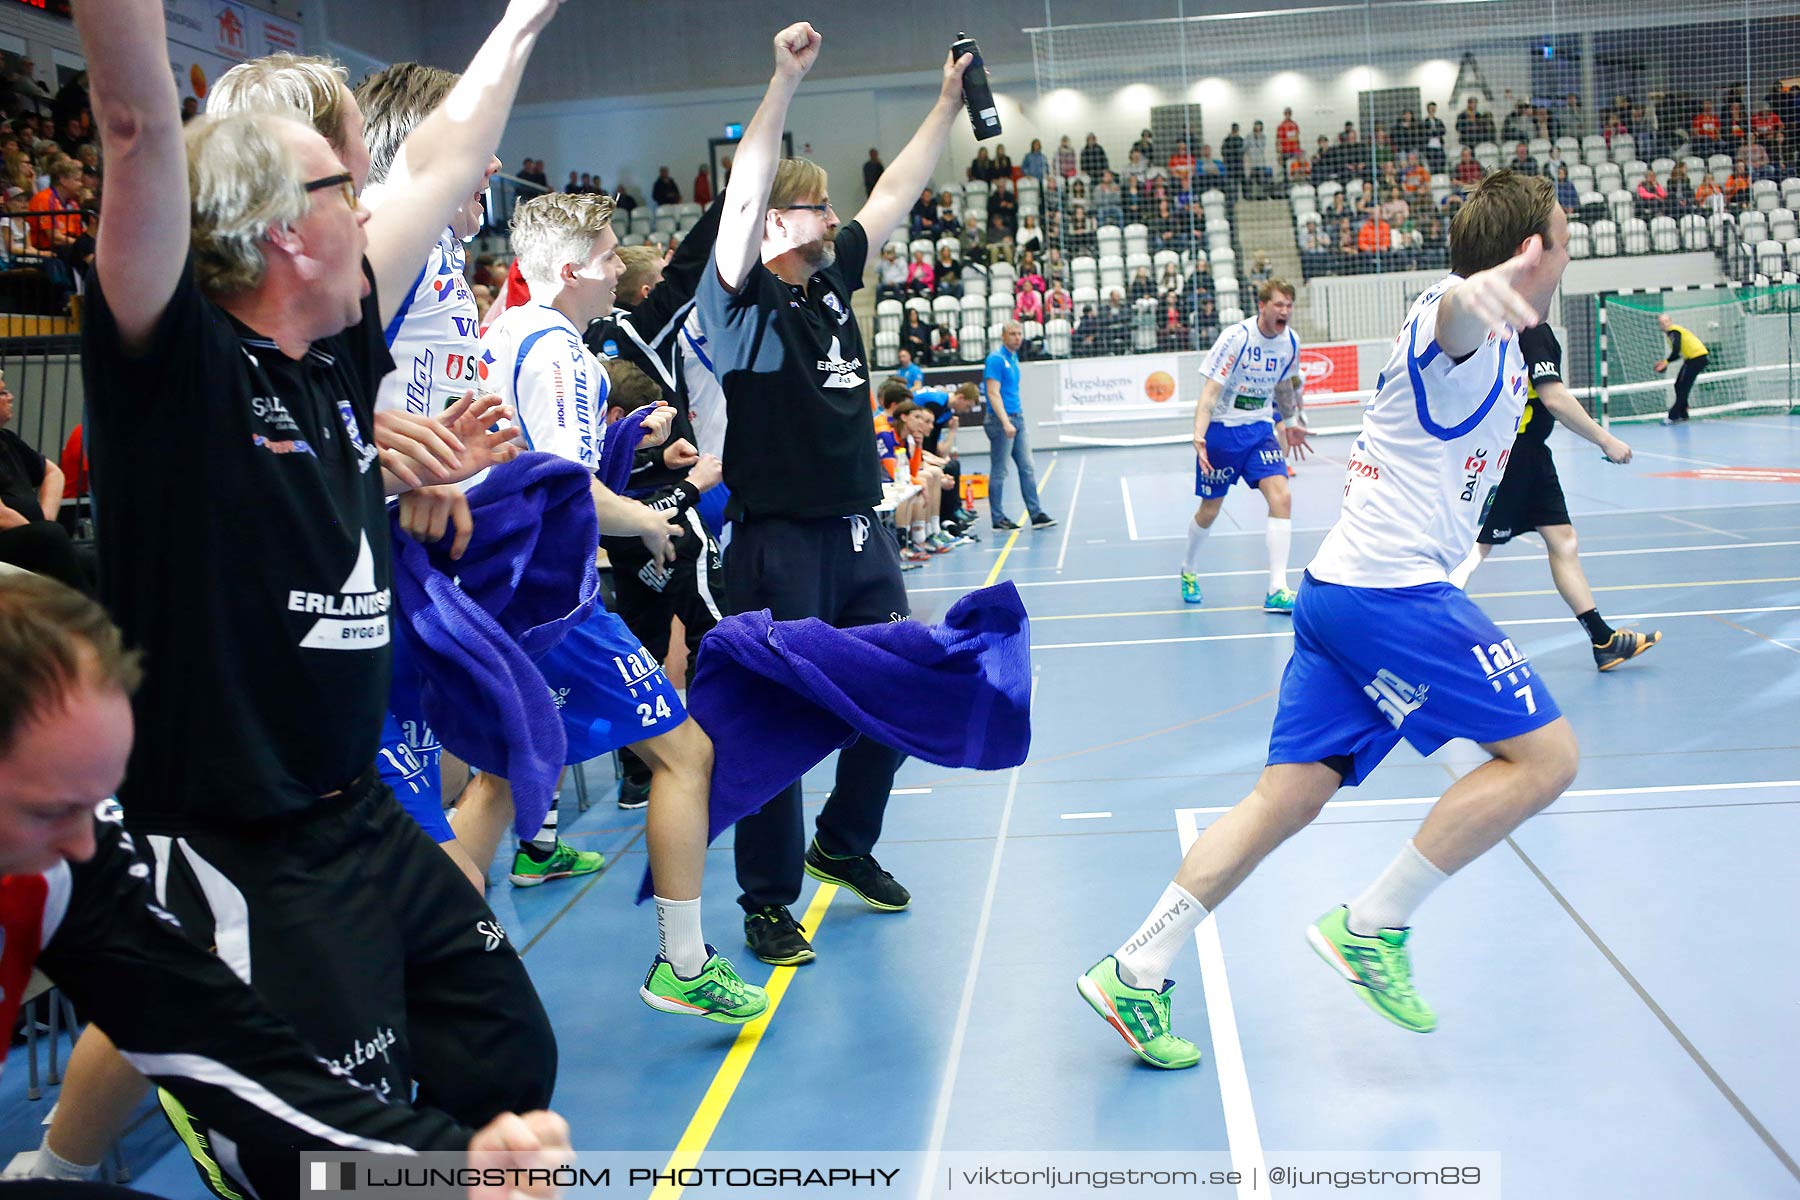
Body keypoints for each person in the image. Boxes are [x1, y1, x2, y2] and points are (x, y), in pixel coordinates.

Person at [44, 1, 571, 1192]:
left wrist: (528, 13)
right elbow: (133, 126)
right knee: (331, 1158)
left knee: (506, 1050)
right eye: (346, 186)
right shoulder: (175, 369)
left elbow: (442, 151)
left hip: (357, 817)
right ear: (286, 232)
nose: (373, 201)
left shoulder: (335, 358)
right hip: (236, 840)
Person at [1081, 170, 1580, 1068]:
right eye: (1563, 231)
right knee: (1548, 758)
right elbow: (1454, 316)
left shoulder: (1511, 346)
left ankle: (1135, 964)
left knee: (1288, 796)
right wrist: (1477, 291)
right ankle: (1373, 925)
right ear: (1532, 251)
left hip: (1341, 591)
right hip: (1391, 597)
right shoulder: (1458, 321)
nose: (1572, 241)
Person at [0, 574, 574, 1196]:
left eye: (101, 801)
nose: (88, 846)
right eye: (51, 808)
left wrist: (443, 1163)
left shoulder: (68, 865)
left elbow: (208, 1037)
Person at [696, 22, 965, 966]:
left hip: (859, 536)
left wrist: (944, 102)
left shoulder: (829, 284)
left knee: (898, 690)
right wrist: (782, 81)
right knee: (776, 724)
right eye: (811, 208)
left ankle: (843, 846)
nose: (832, 218)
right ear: (773, 225)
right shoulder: (739, 304)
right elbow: (745, 188)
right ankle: (767, 902)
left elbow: (897, 191)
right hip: (777, 542)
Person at [479, 191, 765, 1018]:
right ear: (569, 270)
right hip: (555, 606)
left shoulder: (507, 332)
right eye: (607, 256)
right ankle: (681, 959)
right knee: (686, 756)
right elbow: (565, 489)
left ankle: (417, 971)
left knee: (498, 780)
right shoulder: (566, 355)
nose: (617, 271)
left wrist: (625, 439)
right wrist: (648, 517)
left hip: (500, 597)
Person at [1447, 319, 1662, 671]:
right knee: (1473, 549)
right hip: (1506, 456)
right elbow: (1554, 397)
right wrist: (1605, 439)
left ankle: (1602, 640)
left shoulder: (1489, 326)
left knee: (1563, 541)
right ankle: (1427, 633)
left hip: (1531, 454)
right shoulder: (1529, 330)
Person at [1180, 280, 1309, 613]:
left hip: (1259, 430)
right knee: (1210, 510)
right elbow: (1210, 392)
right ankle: (1189, 568)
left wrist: (1291, 424)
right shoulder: (1237, 338)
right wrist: (1199, 435)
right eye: (1279, 304)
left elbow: (1284, 384)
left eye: (1289, 305)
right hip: (1223, 432)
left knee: (1282, 496)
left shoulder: (1290, 342)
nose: (1285, 311)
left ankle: (1277, 589)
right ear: (1262, 306)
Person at [982, 322, 1055, 532]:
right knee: (1000, 470)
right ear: (1004, 336)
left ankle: (1036, 513)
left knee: (1027, 467)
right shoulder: (996, 359)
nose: (1017, 337)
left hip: (1018, 418)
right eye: (1013, 334)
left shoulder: (1013, 357)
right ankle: (997, 518)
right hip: (1001, 421)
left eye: (1019, 334)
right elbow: (993, 393)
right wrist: (1005, 421)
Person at [1652, 312, 1708, 423]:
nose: (1664, 324)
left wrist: (1666, 362)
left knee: (1683, 387)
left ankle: (1672, 416)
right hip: (1692, 359)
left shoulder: (1673, 331)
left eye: (1666, 322)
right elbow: (1678, 354)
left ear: (1671, 322)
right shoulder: (1672, 334)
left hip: (1696, 358)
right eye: (1662, 323)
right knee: (1679, 385)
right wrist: (1666, 362)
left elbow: (1676, 350)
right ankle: (1683, 413)